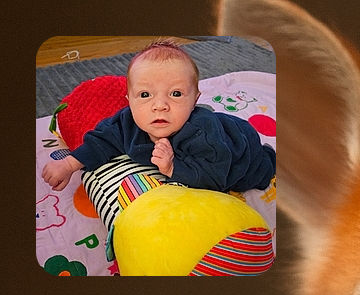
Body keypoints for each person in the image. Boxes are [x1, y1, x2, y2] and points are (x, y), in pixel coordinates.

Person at [41, 40, 276, 194]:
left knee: (261, 171)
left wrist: (174, 168)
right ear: (129, 100)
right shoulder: (127, 122)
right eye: (145, 94)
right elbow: (101, 140)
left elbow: (215, 179)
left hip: (240, 151)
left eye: (176, 94)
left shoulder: (202, 133)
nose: (160, 105)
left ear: (195, 99)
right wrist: (69, 164)